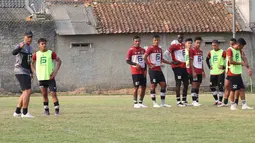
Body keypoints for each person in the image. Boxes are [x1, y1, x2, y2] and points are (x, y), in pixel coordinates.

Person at [31, 38, 62, 115]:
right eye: (42, 44)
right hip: (41, 78)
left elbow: (59, 62)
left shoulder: (51, 53)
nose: (44, 45)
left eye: (45, 43)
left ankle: (57, 111)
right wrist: (36, 72)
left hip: (50, 78)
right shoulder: (36, 54)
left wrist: (54, 73)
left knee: (53, 94)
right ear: (39, 45)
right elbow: (31, 64)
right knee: (44, 94)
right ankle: (46, 111)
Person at [219, 38, 252, 107]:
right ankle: (232, 105)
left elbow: (244, 58)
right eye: (242, 46)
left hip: (237, 72)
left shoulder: (239, 50)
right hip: (232, 72)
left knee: (240, 88)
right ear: (239, 45)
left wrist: (248, 68)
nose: (242, 48)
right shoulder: (230, 50)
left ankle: (243, 104)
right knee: (232, 89)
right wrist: (241, 63)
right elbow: (230, 61)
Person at [143, 35, 172, 108]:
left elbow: (161, 59)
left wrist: (170, 63)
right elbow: (144, 57)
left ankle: (163, 103)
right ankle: (154, 103)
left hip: (159, 69)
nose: (156, 41)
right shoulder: (150, 48)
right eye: (155, 40)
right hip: (153, 70)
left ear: (159, 41)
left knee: (163, 85)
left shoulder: (159, 49)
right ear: (153, 41)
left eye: (158, 40)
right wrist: (149, 65)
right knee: (153, 85)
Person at [12, 31, 34, 118]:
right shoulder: (21, 45)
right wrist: (19, 48)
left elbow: (29, 62)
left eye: (31, 37)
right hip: (20, 70)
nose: (30, 39)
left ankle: (17, 112)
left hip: (26, 71)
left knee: (25, 91)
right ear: (24, 37)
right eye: (28, 37)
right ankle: (25, 112)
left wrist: (31, 72)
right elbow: (14, 52)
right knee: (28, 91)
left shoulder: (30, 48)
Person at [166, 34, 189, 107]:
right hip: (177, 67)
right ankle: (178, 101)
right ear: (177, 38)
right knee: (178, 83)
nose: (180, 39)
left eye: (181, 37)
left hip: (184, 66)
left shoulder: (184, 45)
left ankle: (184, 100)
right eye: (179, 37)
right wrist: (172, 61)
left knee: (186, 83)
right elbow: (165, 54)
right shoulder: (174, 46)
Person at [126, 36, 147, 108]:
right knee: (136, 87)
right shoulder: (131, 50)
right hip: (135, 72)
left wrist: (145, 70)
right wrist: (135, 64)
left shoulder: (143, 50)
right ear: (133, 42)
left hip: (142, 71)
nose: (137, 42)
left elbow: (145, 61)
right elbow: (127, 61)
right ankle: (135, 103)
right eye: (136, 41)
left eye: (139, 41)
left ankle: (141, 102)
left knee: (143, 87)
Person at [206, 40, 226, 105]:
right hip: (213, 72)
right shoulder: (210, 52)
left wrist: (224, 67)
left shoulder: (223, 52)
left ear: (218, 45)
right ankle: (216, 100)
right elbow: (207, 59)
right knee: (212, 86)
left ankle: (220, 101)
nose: (213, 47)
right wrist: (209, 66)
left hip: (220, 72)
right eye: (212, 45)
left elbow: (228, 60)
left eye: (215, 45)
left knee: (220, 86)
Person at [189, 37, 205, 106]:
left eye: (199, 43)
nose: (198, 44)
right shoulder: (192, 50)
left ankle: (196, 100)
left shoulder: (201, 51)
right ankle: (194, 100)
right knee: (194, 85)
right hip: (194, 71)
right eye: (197, 42)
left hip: (199, 71)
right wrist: (193, 71)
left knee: (198, 86)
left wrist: (203, 71)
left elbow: (201, 61)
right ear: (194, 42)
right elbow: (191, 61)